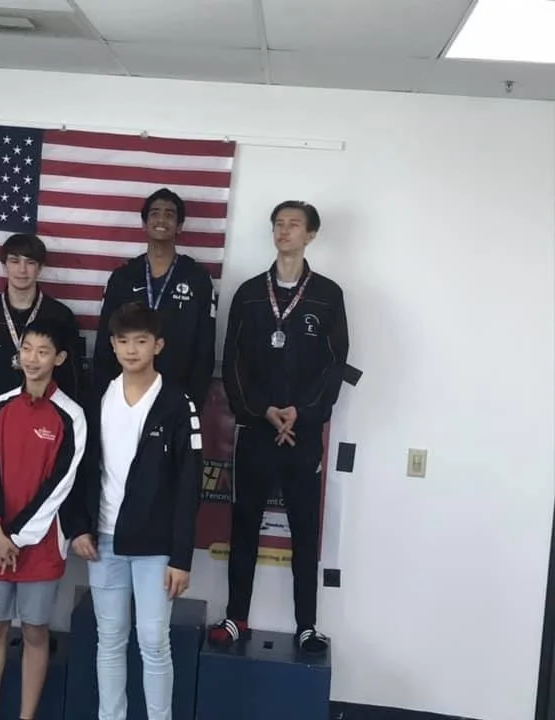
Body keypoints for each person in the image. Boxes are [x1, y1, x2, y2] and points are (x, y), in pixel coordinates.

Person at [209, 200, 349, 653]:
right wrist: (264, 410)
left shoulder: (328, 295)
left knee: (304, 529)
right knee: (244, 525)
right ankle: (236, 618)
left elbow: (335, 365)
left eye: (295, 225)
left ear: (311, 235)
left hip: (303, 435)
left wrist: (300, 414)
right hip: (256, 430)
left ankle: (306, 624)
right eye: (279, 224)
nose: (284, 231)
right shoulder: (249, 293)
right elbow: (231, 363)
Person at [68, 302, 202, 720]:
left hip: (155, 545)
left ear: (157, 345)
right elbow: (76, 469)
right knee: (108, 639)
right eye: (123, 341)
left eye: (141, 341)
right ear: (111, 344)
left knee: (153, 641)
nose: (131, 350)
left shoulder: (178, 403)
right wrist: (78, 528)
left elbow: (189, 485)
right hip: (102, 538)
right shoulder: (96, 399)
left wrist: (181, 557)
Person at [0, 232, 82, 636]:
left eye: (30, 263)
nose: (22, 270)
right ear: (3, 265)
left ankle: (35, 623)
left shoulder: (60, 318)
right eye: (15, 261)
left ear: (40, 268)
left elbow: (74, 381)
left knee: (38, 513)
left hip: (44, 435)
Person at [0, 318, 87, 720]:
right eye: (27, 349)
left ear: (59, 358)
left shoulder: (71, 415)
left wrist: (15, 538)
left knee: (35, 632)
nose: (33, 359)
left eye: (42, 351)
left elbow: (59, 486)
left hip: (38, 546)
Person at [93, 187, 217, 411]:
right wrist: (105, 393)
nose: (161, 219)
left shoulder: (197, 278)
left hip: (176, 395)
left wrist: (193, 401)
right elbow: (105, 341)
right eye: (155, 213)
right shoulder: (122, 277)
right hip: (125, 395)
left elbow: (205, 347)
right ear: (144, 224)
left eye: (169, 214)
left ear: (179, 226)